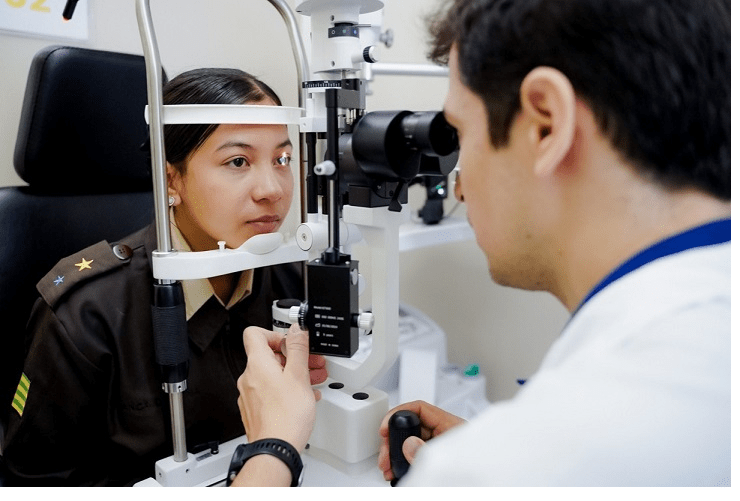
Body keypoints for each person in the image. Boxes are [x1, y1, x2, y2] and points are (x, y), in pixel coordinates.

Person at [232, 0, 730, 487]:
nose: (460, 187)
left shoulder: (511, 466)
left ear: (546, 124)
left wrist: (272, 448)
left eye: (461, 133)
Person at [2, 68, 327, 486]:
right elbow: (34, 482)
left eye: (282, 159)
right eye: (238, 161)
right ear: (171, 179)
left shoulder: (292, 276)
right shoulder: (86, 314)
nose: (272, 190)